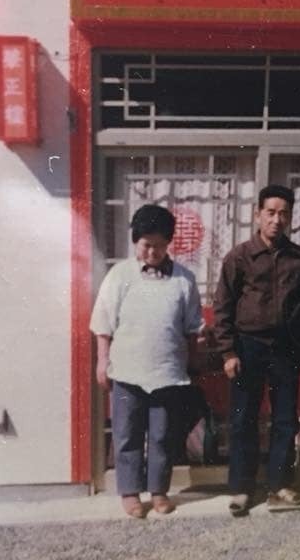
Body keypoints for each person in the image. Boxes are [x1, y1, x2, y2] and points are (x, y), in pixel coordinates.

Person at [212, 184, 300, 516]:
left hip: (287, 349)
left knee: (285, 419)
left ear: (290, 217)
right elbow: (223, 306)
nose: (276, 220)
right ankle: (241, 488)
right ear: (257, 214)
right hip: (248, 347)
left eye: (283, 213)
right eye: (270, 212)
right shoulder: (240, 257)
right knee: (243, 418)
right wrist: (228, 352)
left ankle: (280, 482)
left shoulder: (299, 258)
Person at [90, 204, 203, 518]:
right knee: (127, 434)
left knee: (162, 436)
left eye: (159, 245)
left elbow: (192, 328)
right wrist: (102, 361)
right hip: (127, 372)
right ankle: (130, 492)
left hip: (168, 372)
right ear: (135, 242)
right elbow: (103, 323)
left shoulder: (183, 279)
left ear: (169, 244)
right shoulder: (120, 275)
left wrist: (192, 363)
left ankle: (159, 491)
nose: (152, 252)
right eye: (146, 245)